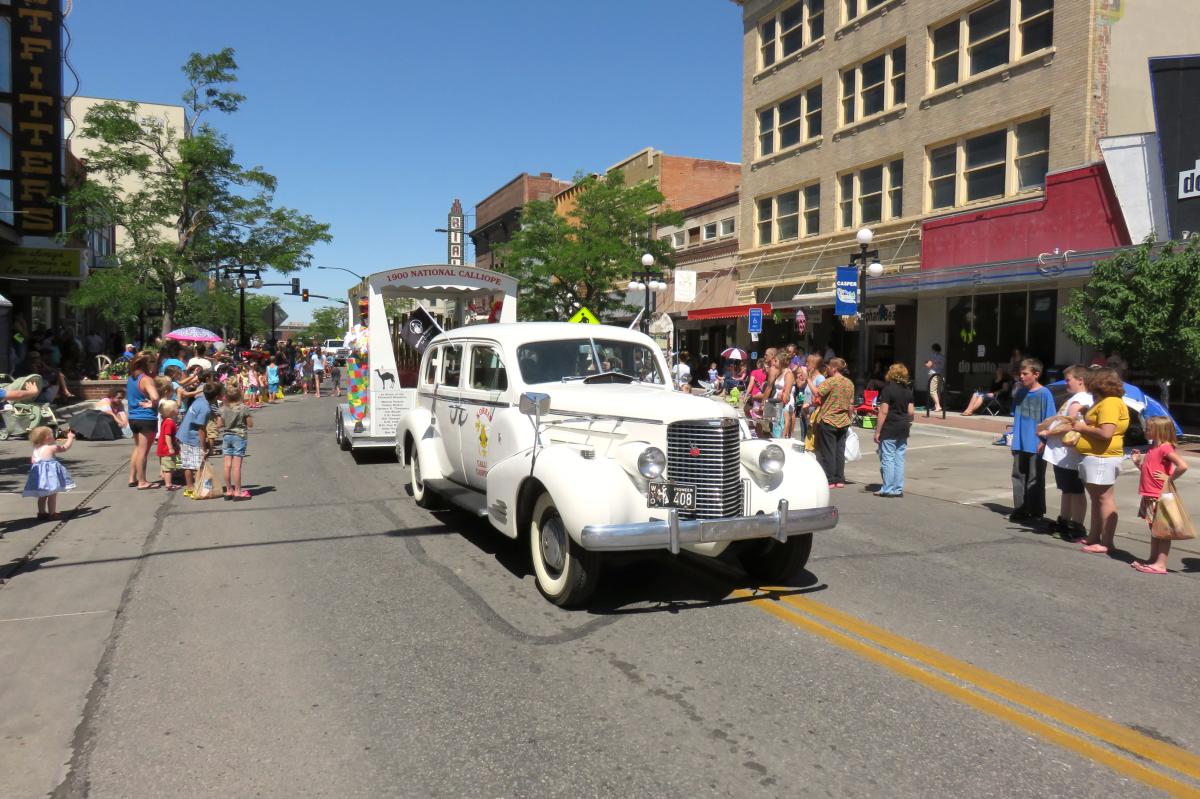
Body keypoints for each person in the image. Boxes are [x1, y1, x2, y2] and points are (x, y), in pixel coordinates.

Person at [1074, 367, 1130, 554]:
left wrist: (1082, 427)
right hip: (1098, 457)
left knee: (1104, 498)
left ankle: (1106, 542)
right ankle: (1094, 536)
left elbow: (1106, 433)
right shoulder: (1107, 401)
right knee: (1097, 498)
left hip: (1102, 457)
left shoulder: (1110, 403)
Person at [1130, 417, 1189, 574]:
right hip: (1150, 494)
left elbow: (1183, 466)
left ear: (1159, 431)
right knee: (1154, 529)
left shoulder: (1165, 448)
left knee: (1162, 531)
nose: (1145, 431)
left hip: (1160, 495)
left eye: (1148, 429)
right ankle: (1153, 559)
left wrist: (1169, 479)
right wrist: (1138, 463)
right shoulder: (1153, 448)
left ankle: (1160, 564)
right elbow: (1149, 470)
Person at [1040, 365, 1092, 540]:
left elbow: (1069, 424)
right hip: (1063, 454)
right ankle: (1064, 519)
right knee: (1067, 489)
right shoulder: (1076, 398)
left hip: (1070, 454)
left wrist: (1047, 433)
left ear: (1080, 380)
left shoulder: (1080, 400)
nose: (1066, 383)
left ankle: (1076, 525)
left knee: (1075, 490)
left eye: (1068, 380)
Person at [1008, 358, 1056, 523]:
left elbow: (1050, 420)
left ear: (1036, 374)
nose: (1021, 376)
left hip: (1036, 442)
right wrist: (1013, 438)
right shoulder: (1020, 393)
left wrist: (1044, 440)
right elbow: (1017, 418)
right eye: (1020, 373)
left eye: (1025, 373)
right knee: (1018, 475)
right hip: (1020, 442)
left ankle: (1036, 511)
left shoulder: (1045, 393)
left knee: (1035, 478)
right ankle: (1020, 508)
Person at [874, 363, 915, 497]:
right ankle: (897, 489)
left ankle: (887, 488)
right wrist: (908, 423)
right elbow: (911, 412)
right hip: (903, 427)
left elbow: (883, 411)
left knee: (888, 458)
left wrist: (877, 431)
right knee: (899, 459)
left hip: (890, 426)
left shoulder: (888, 389)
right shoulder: (908, 391)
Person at [814, 357, 855, 488]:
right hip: (843, 420)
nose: (827, 369)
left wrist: (808, 379)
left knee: (828, 451)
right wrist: (849, 418)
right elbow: (851, 404)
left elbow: (817, 393)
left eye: (829, 367)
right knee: (839, 451)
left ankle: (830, 479)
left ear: (834, 368)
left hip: (829, 419)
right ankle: (840, 479)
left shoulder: (830, 382)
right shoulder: (849, 383)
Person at [23, 426, 76, 520]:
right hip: (50, 476)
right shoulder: (51, 447)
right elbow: (65, 447)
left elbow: (33, 461)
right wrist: (70, 437)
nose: (54, 436)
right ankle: (52, 513)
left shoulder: (36, 449)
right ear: (47, 438)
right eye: (52, 434)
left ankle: (41, 513)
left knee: (42, 495)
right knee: (52, 494)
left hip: (40, 477)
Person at [126, 353, 160, 490]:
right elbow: (155, 397)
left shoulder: (131, 378)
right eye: (153, 362)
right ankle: (142, 481)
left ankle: (132, 477)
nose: (155, 365)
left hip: (133, 417)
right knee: (143, 451)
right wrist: (152, 404)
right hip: (146, 418)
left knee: (138, 448)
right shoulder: (146, 379)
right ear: (147, 364)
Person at [179, 381, 219, 498]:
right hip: (192, 437)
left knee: (188, 464)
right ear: (216, 397)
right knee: (200, 463)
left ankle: (190, 487)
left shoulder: (199, 400)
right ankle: (199, 487)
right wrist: (204, 447)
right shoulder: (206, 409)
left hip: (183, 434)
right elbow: (201, 429)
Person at [221, 385, 254, 501]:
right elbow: (250, 424)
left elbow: (220, 424)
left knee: (227, 465)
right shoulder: (243, 408)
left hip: (226, 436)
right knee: (237, 466)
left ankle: (229, 490)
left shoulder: (223, 408)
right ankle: (238, 491)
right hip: (239, 436)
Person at [157, 399, 181, 491]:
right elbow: (168, 436)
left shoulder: (167, 421)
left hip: (172, 447)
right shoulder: (169, 422)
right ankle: (169, 484)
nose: (178, 409)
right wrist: (170, 448)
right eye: (176, 408)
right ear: (171, 411)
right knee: (168, 467)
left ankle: (178, 473)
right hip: (167, 449)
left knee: (177, 460)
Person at [770, 352, 795, 439]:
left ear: (781, 361)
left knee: (782, 426)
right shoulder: (780, 373)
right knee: (775, 427)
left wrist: (781, 397)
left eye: (776, 361)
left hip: (783, 404)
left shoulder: (788, 374)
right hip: (777, 404)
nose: (774, 362)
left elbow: (787, 396)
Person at [924, 344, 945, 414]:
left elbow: (929, 365)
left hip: (933, 374)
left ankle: (938, 406)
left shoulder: (933, 356)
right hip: (940, 374)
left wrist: (926, 363)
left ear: (933, 349)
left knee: (932, 391)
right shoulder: (942, 357)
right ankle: (936, 405)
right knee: (937, 391)